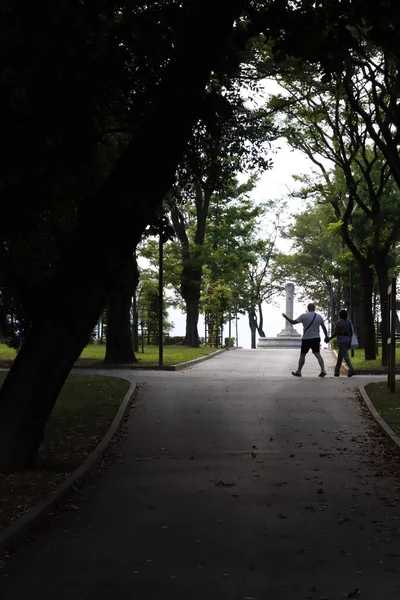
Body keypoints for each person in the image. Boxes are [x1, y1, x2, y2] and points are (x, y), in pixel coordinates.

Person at [282, 303, 329, 377]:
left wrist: (286, 317)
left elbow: (293, 322)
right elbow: (324, 327)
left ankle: (299, 371)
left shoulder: (304, 316)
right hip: (316, 338)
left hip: (306, 338)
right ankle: (323, 370)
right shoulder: (319, 317)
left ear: (308, 308)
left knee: (303, 355)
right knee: (317, 354)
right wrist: (326, 336)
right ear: (314, 308)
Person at [326, 309, 356, 377]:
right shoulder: (349, 322)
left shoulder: (339, 322)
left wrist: (329, 339)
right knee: (340, 356)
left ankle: (352, 369)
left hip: (341, 339)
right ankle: (337, 371)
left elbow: (336, 332)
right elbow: (351, 332)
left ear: (340, 315)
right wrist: (349, 338)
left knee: (345, 356)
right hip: (348, 339)